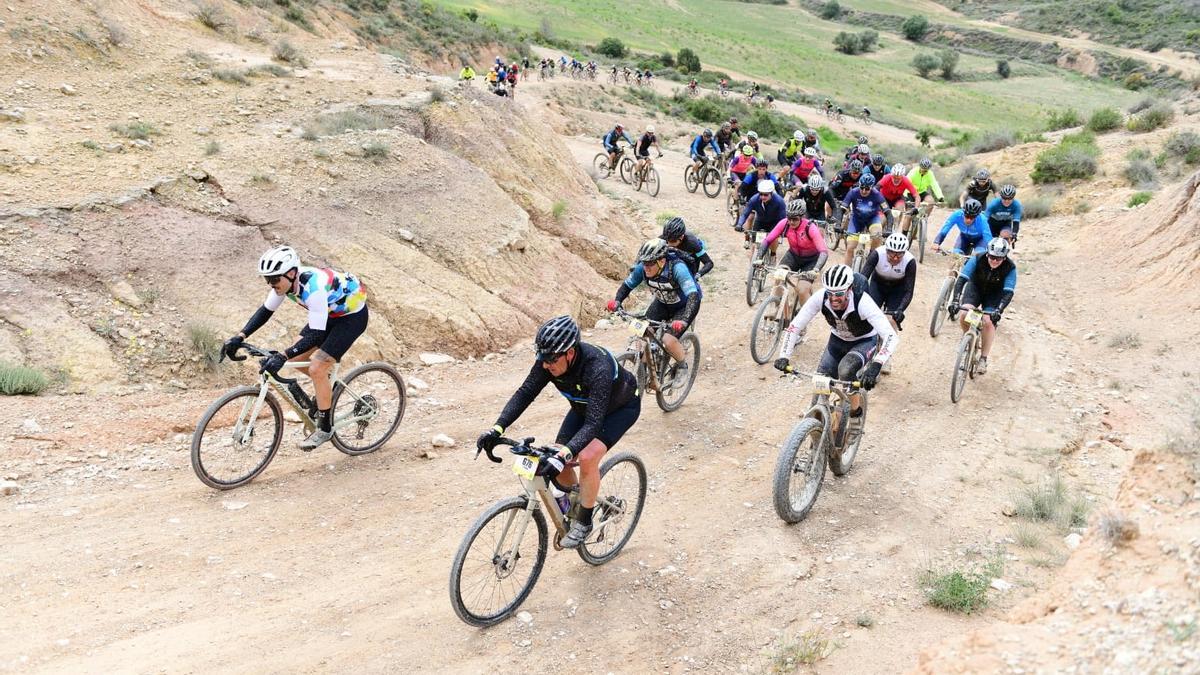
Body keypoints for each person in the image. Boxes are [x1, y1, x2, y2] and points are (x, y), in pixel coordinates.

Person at [476, 316, 640, 549]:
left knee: (586, 456)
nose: (545, 365)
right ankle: (578, 500)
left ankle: (584, 520)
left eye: (551, 359)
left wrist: (565, 455)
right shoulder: (550, 358)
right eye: (542, 358)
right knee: (555, 454)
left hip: (619, 410)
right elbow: (526, 392)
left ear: (570, 353)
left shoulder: (597, 367)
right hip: (583, 408)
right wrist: (497, 427)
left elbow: (593, 424)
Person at [222, 246, 369, 450]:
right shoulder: (285, 284)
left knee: (316, 367)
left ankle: (325, 429)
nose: (271, 285)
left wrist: (283, 354)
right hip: (327, 314)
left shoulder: (313, 287)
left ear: (291, 273)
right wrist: (239, 336)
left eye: (274, 279)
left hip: (350, 319)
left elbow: (316, 334)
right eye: (267, 280)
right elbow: (265, 312)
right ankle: (326, 388)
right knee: (294, 360)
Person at [774, 265, 898, 430]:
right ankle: (814, 429)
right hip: (837, 341)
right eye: (830, 293)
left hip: (863, 341)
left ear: (849, 290)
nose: (833, 299)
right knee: (821, 380)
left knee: (846, 371)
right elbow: (795, 326)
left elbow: (890, 336)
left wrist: (877, 364)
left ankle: (856, 415)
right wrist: (784, 356)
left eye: (839, 294)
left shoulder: (863, 302)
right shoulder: (821, 297)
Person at [607, 239, 701, 384]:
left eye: (650, 263)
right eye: (644, 263)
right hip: (662, 303)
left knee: (668, 341)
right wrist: (617, 301)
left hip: (684, 306)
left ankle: (682, 366)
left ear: (662, 261)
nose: (646, 267)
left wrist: (684, 320)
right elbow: (627, 285)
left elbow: (693, 296)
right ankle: (644, 371)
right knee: (642, 333)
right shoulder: (642, 269)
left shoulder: (677, 269)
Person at [947, 238, 1017, 375]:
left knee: (988, 321)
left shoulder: (1010, 267)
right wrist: (955, 301)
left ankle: (983, 358)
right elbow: (961, 280)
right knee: (965, 314)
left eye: (999, 258)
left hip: (994, 295)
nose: (995, 261)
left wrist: (999, 310)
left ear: (1005, 257)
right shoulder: (977, 258)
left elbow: (1008, 292)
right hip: (975, 288)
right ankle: (967, 339)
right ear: (987, 254)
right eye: (992, 257)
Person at [756, 199, 829, 314]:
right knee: (779, 278)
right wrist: (759, 258)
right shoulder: (784, 223)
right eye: (789, 218)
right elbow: (768, 240)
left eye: (795, 219)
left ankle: (803, 320)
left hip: (811, 261)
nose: (791, 222)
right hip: (793, 256)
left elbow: (824, 252)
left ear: (802, 216)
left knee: (802, 289)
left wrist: (816, 270)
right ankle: (775, 306)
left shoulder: (810, 227)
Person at [863, 232, 917, 336]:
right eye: (892, 253)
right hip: (878, 284)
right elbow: (863, 278)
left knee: (892, 322)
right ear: (886, 250)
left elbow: (909, 291)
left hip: (897, 289)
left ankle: (888, 350)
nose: (895, 258)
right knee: (868, 317)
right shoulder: (877, 254)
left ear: (904, 252)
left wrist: (900, 310)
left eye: (899, 254)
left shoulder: (910, 261)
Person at [841, 173, 893, 265]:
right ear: (859, 185)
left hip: (872, 219)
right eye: (862, 187)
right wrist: (838, 224)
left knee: (877, 235)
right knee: (850, 248)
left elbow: (888, 213)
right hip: (856, 220)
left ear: (872, 187)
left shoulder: (877, 195)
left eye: (867, 188)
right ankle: (847, 272)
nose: (864, 191)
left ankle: (872, 256)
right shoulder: (853, 192)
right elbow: (841, 210)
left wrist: (889, 229)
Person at [735, 180, 788, 250]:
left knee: (773, 239)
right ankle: (753, 259)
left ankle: (773, 255)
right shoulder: (754, 199)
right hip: (760, 221)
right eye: (761, 194)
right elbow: (745, 214)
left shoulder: (779, 201)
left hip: (774, 223)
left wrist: (782, 231)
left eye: (766, 194)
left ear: (771, 193)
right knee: (753, 244)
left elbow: (783, 220)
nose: (763, 197)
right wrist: (739, 224)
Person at [878, 164, 919, 236]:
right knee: (883, 219)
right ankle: (882, 231)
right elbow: (876, 188)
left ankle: (895, 229)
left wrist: (916, 207)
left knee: (900, 209)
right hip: (884, 198)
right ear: (892, 175)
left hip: (897, 198)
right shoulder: (887, 178)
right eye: (894, 177)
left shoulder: (906, 180)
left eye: (899, 178)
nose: (896, 179)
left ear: (902, 177)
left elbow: (916, 196)